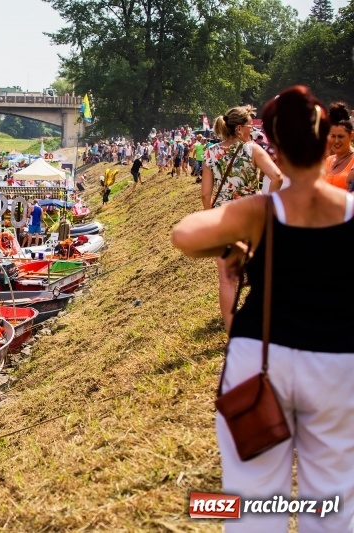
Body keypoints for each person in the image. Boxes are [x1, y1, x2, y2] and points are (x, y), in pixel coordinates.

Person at [172, 85, 354, 533]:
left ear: (272, 142)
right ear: (326, 139)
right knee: (334, 497)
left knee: (253, 499)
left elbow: (185, 234)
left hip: (261, 359)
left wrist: (234, 243)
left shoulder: (260, 211)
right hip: (338, 362)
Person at [201, 105, 282, 333]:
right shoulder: (252, 150)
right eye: (249, 126)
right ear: (238, 129)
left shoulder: (210, 152)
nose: (251, 131)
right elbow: (276, 176)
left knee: (227, 280)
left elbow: (206, 193)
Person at [324, 102, 354, 190]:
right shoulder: (328, 160)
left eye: (341, 136)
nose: (336, 141)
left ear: (351, 136)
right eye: (333, 136)